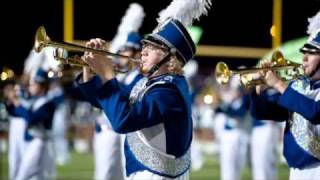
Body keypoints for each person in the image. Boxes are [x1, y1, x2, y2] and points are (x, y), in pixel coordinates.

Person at [76, 18, 196, 179]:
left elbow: (122, 121)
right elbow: (109, 102)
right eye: (145, 45)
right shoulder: (153, 84)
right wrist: (89, 69)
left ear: (171, 58)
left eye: (152, 48)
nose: (143, 51)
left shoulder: (168, 91)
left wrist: (107, 74)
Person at [250, 22, 320, 179]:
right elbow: (263, 113)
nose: (304, 58)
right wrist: (258, 90)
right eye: (304, 52)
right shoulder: (300, 86)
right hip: (296, 172)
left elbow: (314, 112)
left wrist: (279, 84)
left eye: (313, 52)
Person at [5, 68, 56, 180]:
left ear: (42, 86)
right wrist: (10, 101)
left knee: (24, 176)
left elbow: (31, 119)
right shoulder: (36, 101)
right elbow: (15, 113)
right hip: (33, 141)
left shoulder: (48, 103)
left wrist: (17, 103)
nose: (30, 86)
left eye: (34, 84)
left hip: (41, 143)